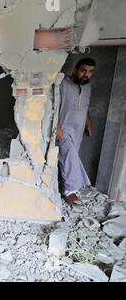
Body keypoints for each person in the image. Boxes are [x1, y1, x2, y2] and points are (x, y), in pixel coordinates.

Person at [56, 58, 96, 205]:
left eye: (90, 72)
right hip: (63, 129)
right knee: (69, 155)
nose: (86, 74)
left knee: (68, 159)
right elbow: (53, 106)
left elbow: (85, 108)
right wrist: (57, 127)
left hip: (78, 130)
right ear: (75, 70)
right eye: (83, 70)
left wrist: (88, 124)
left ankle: (62, 185)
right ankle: (70, 191)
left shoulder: (87, 87)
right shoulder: (62, 84)